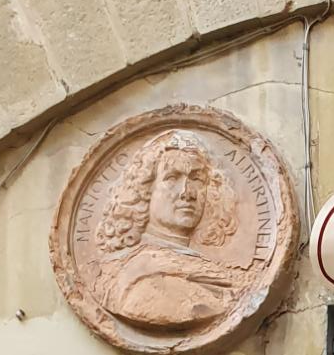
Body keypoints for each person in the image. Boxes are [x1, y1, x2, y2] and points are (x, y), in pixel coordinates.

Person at [96, 131, 242, 329]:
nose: (186, 193)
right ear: (144, 190)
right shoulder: (140, 277)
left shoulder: (206, 267)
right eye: (172, 178)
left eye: (196, 179)